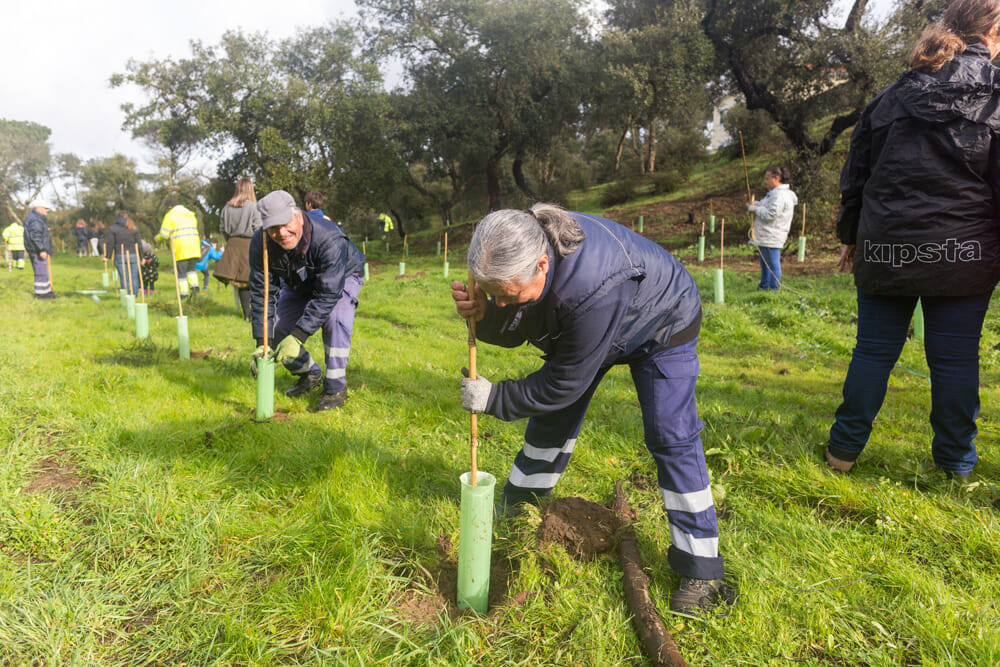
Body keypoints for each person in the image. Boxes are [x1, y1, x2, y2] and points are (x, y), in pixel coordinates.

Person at [450, 204, 733, 615]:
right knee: (553, 417)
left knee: (670, 434)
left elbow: (563, 383)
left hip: (662, 319)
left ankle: (702, 570)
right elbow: (528, 317)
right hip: (597, 320)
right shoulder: (527, 249)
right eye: (492, 293)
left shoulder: (591, 289)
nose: (500, 301)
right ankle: (520, 506)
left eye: (503, 295)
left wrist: (495, 399)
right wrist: (487, 316)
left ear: (543, 264)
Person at [827, 0, 1000, 479]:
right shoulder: (994, 95)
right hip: (964, 252)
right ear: (993, 33)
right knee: (955, 360)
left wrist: (850, 236)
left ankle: (841, 453)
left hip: (885, 245)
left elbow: (855, 174)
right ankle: (955, 465)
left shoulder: (891, 95)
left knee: (873, 351)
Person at [249, 190, 365, 411]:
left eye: (285, 223)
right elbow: (261, 293)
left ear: (298, 216)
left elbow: (329, 293)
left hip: (342, 276)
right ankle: (309, 374)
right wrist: (261, 341)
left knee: (335, 318)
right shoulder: (260, 243)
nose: (282, 233)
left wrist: (299, 335)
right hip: (299, 281)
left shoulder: (329, 238)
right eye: (273, 227)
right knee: (276, 328)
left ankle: (335, 389)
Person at [215, 178, 261, 320]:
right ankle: (256, 313)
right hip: (250, 244)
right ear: (250, 189)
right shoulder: (255, 207)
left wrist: (230, 239)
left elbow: (222, 228)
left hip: (233, 245)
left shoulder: (226, 208)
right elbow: (258, 227)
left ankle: (247, 315)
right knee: (255, 280)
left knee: (242, 283)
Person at [747, 166, 797, 291]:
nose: (765, 181)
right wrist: (756, 205)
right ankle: (764, 287)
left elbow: (770, 214)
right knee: (765, 264)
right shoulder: (773, 194)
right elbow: (766, 206)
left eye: (768, 179)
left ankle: (773, 289)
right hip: (765, 235)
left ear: (776, 178)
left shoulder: (780, 195)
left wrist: (755, 209)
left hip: (772, 235)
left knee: (773, 265)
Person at [155, 197, 201, 297]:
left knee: (181, 273)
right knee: (191, 270)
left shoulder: (170, 215)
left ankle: (183, 294)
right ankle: (195, 291)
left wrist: (157, 239)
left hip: (181, 248)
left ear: (169, 207)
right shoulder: (190, 215)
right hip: (194, 247)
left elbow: (164, 234)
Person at [23, 199, 56, 298]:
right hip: (37, 250)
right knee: (41, 272)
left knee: (44, 271)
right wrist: (41, 249)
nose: (48, 211)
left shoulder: (37, 218)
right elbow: (36, 236)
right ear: (38, 208)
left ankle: (46, 292)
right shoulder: (35, 219)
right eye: (46, 208)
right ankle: (41, 295)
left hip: (37, 249)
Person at [105, 212, 143, 295]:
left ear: (117, 218)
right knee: (134, 278)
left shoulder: (113, 228)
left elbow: (110, 243)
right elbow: (139, 244)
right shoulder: (133, 227)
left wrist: (107, 256)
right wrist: (142, 257)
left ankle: (127, 297)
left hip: (120, 255)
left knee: (124, 278)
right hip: (133, 255)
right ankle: (134, 296)